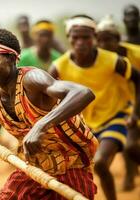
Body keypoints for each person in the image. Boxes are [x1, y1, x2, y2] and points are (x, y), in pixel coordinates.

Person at [0, 28, 98, 199]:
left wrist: (41, 126)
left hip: (72, 164)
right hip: (33, 166)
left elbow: (84, 93)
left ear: (11, 59)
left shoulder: (32, 80)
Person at [49, 15, 140, 200]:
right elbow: (46, 98)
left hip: (115, 117)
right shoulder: (59, 66)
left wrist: (136, 114)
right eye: (76, 37)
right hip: (83, 126)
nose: (81, 42)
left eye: (86, 37)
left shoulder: (113, 60)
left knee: (100, 163)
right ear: (69, 38)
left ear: (94, 38)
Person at [96, 15, 140, 190]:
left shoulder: (135, 53)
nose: (104, 45)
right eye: (100, 40)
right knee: (127, 144)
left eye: (108, 40)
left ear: (118, 38)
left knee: (129, 145)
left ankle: (130, 176)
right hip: (121, 107)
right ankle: (129, 175)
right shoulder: (99, 59)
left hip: (136, 102)